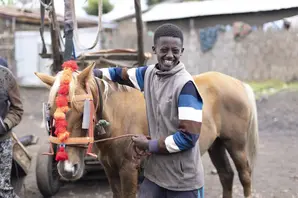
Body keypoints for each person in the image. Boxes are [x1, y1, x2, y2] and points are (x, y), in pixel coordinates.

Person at [93, 23, 204, 198]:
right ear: (154, 49)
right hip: (154, 175)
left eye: (175, 51)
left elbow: (188, 137)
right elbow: (120, 74)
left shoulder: (186, 86)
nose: (169, 55)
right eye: (164, 50)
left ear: (181, 51)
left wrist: (149, 145)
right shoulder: (149, 74)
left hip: (182, 180)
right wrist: (93, 73)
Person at [0, 57, 24, 198]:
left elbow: (17, 109)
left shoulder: (6, 78)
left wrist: (5, 124)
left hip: (2, 141)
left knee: (3, 189)